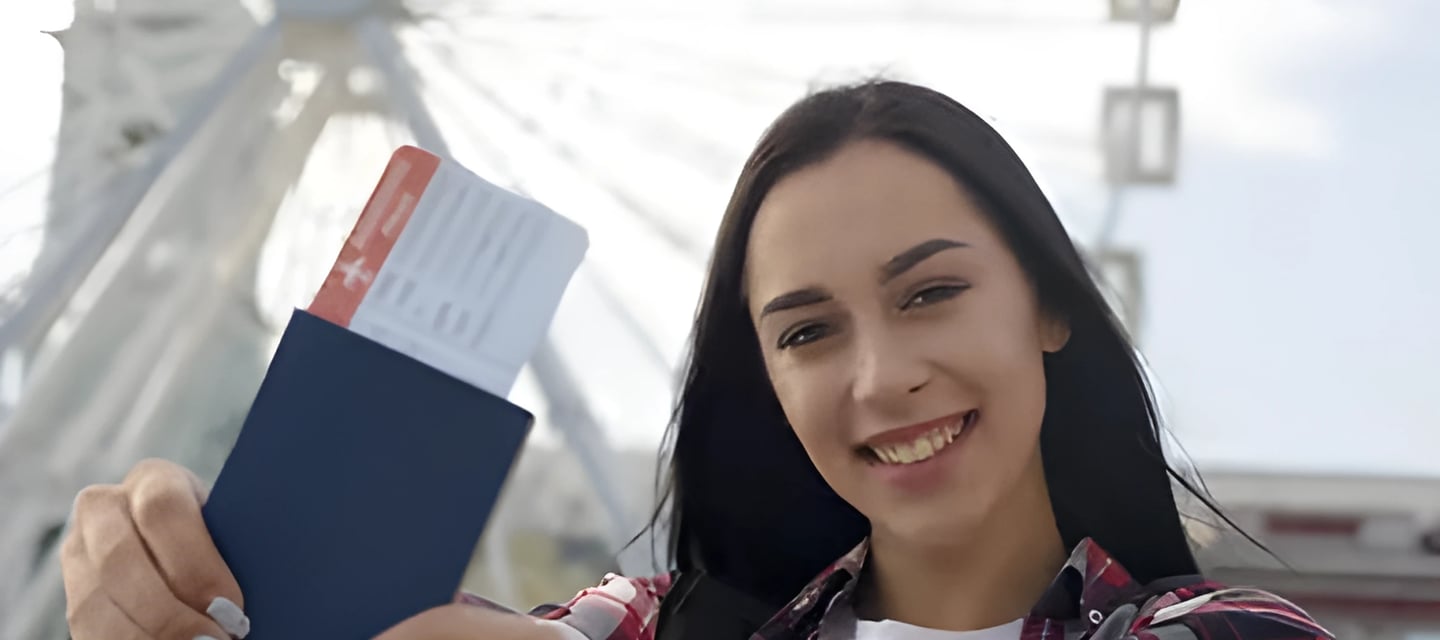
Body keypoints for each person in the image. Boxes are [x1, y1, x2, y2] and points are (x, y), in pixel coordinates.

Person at [60, 80, 1334, 640]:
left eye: (932, 292)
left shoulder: (1221, 634)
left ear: (1049, 308)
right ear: (767, 382)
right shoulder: (655, 628)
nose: (881, 375)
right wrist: (173, 583)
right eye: (807, 331)